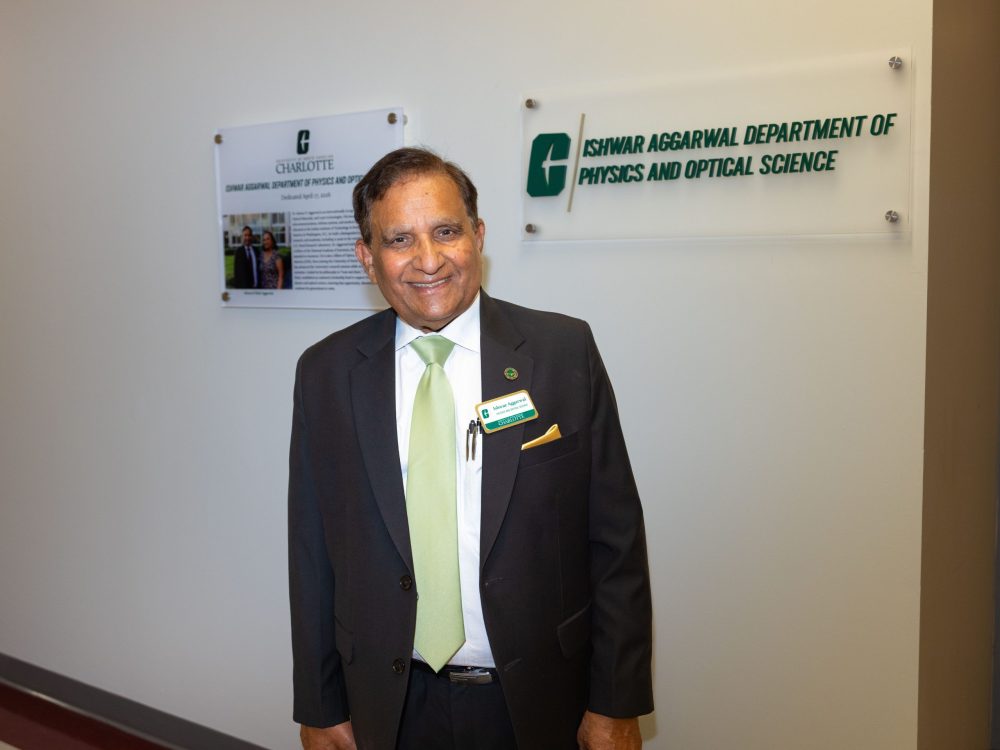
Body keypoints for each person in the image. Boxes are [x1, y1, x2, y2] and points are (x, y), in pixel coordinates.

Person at [289, 148, 652, 750]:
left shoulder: (563, 352)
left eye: (447, 232)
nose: (428, 261)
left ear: (478, 236)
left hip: (534, 699)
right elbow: (311, 549)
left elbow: (615, 540)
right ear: (367, 258)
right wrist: (320, 702)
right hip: (387, 703)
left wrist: (615, 701)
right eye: (399, 239)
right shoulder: (326, 373)